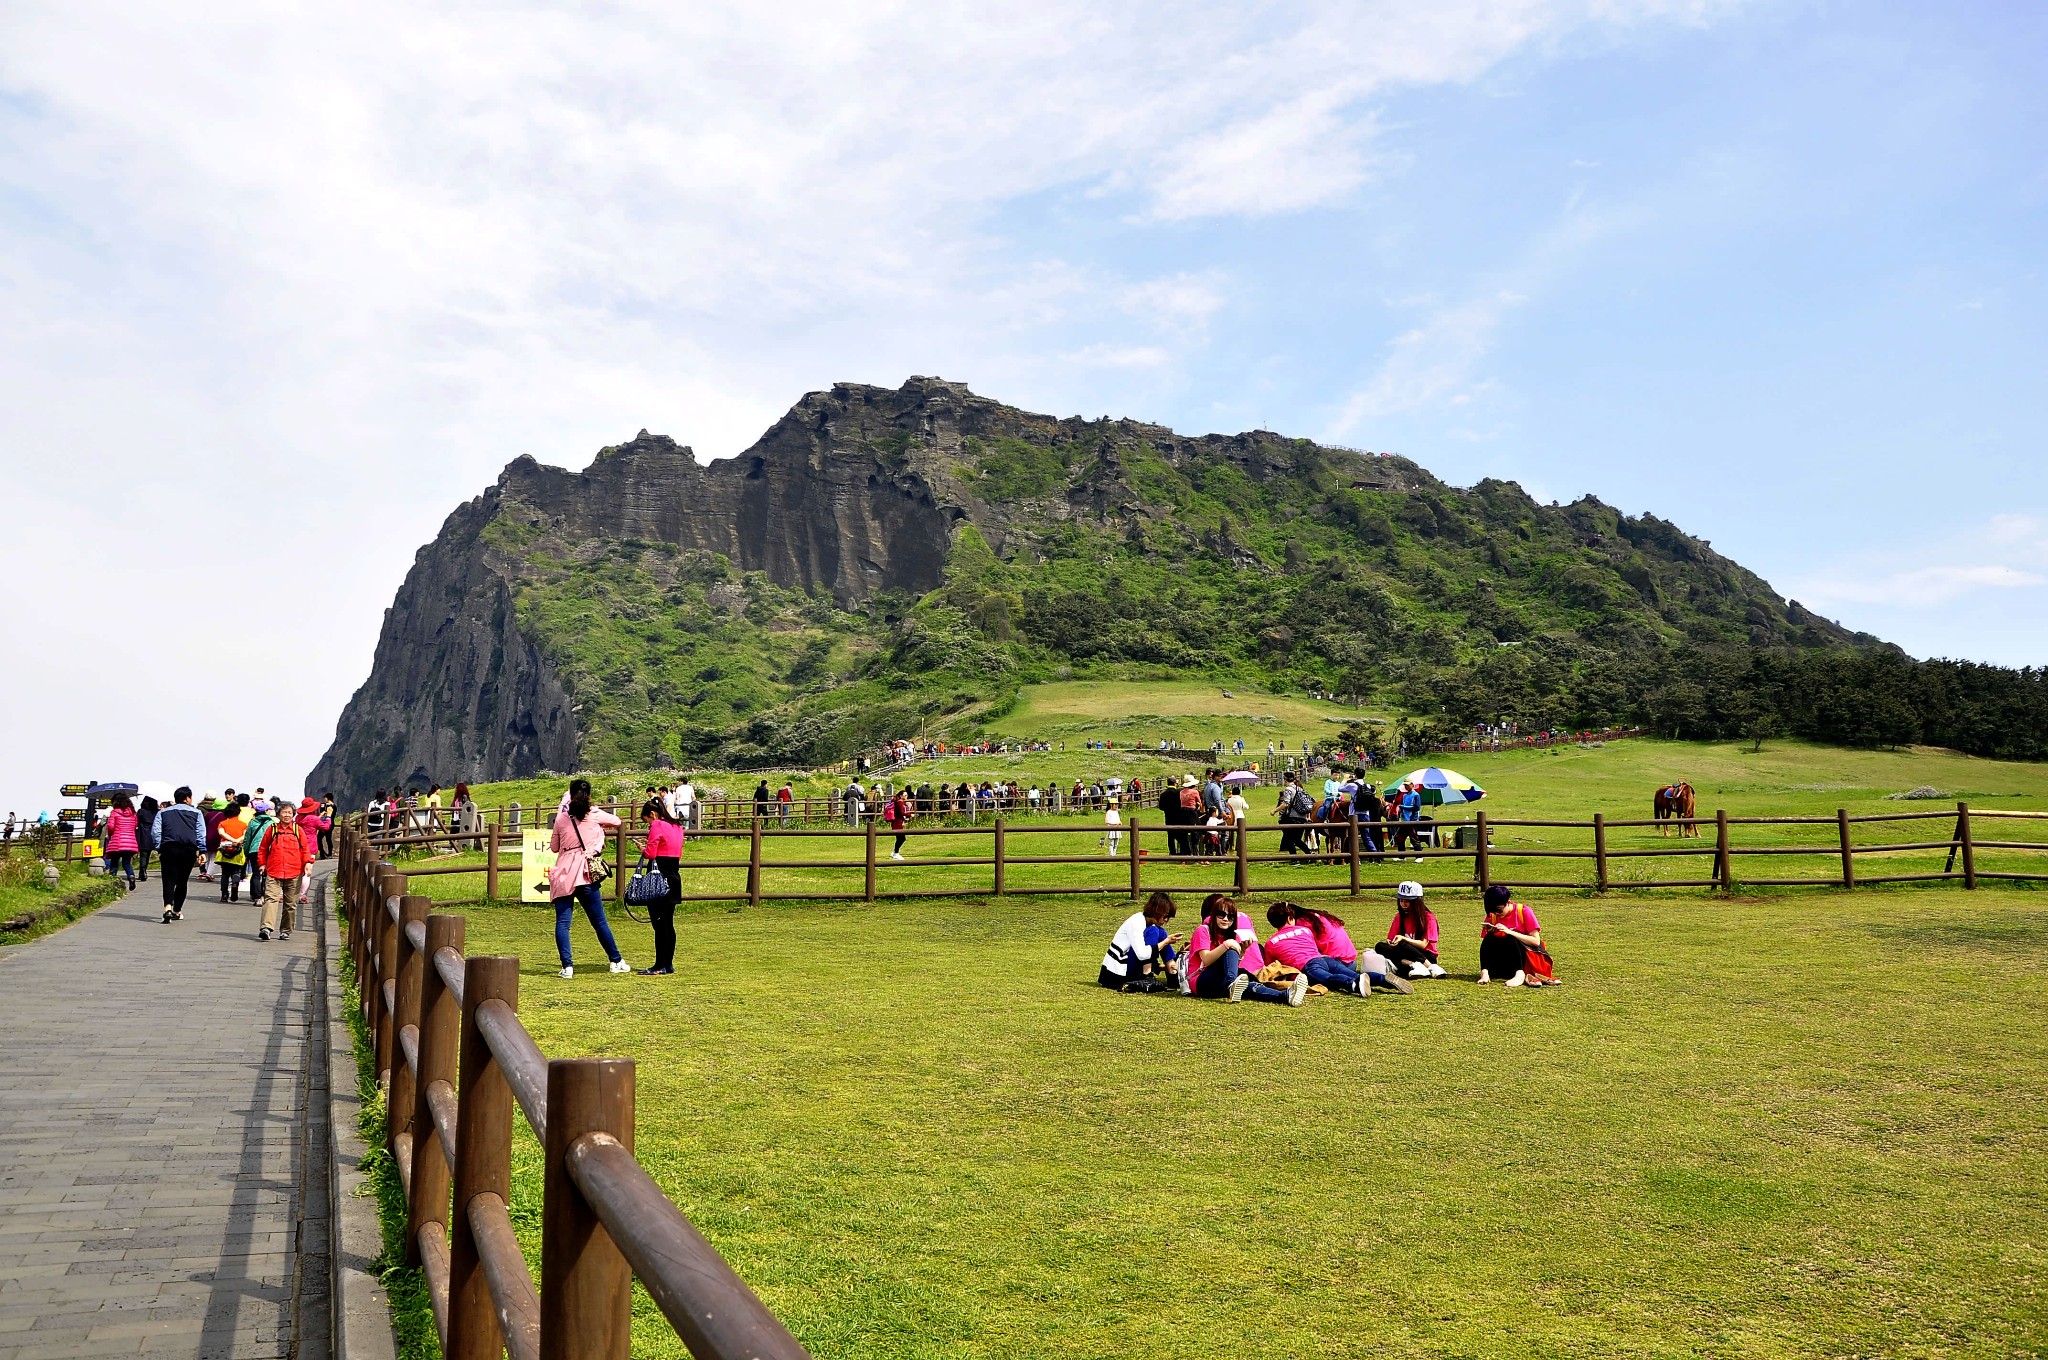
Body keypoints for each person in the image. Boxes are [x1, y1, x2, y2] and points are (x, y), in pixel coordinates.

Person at [549, 778, 629, 978]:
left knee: (563, 923)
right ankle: (615, 960)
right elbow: (617, 822)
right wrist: (599, 829)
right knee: (599, 921)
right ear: (589, 795)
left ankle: (567, 966)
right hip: (585, 872)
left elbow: (554, 847)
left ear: (570, 794)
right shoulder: (593, 813)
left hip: (564, 873)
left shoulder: (561, 818)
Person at [1186, 894, 1303, 1005]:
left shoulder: (1228, 934)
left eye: (1230, 917)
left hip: (1219, 982)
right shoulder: (1203, 930)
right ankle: (1231, 983)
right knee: (1232, 951)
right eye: (1221, 915)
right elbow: (1206, 960)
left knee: (1249, 985)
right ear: (1213, 915)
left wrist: (1242, 952)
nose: (1226, 919)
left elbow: (1229, 966)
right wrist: (1227, 945)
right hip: (1200, 981)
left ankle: (1286, 996)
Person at [1263, 901, 1374, 997]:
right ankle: (1381, 979)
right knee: (1353, 975)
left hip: (1317, 963)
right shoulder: (1310, 920)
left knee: (1327, 978)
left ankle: (1353, 984)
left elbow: (1272, 966)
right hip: (1340, 960)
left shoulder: (1272, 942)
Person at [1099, 891, 1183, 992]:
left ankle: (1172, 970)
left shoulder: (1146, 923)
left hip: (1129, 964)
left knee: (1161, 932)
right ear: (1156, 911)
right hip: (1117, 974)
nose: (1166, 920)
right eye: (1165, 916)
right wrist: (1166, 942)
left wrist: (1161, 966)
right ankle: (1147, 975)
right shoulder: (1136, 922)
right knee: (1154, 931)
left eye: (1168, 917)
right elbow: (1142, 954)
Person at [637, 804, 685, 976]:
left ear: (652, 814)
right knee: (668, 924)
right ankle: (668, 964)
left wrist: (642, 848)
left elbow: (650, 854)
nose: (648, 824)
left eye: (647, 821)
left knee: (659, 925)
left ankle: (659, 965)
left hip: (658, 879)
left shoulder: (657, 825)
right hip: (673, 877)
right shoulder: (677, 826)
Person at [252, 802, 309, 941]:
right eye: (284, 812)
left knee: (290, 904)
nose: (287, 815)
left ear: (293, 814)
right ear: (278, 814)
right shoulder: (271, 829)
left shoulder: (298, 830)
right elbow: (263, 848)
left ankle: (286, 930)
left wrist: (308, 863)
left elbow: (305, 849)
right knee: (271, 899)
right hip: (274, 870)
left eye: (290, 812)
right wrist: (262, 864)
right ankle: (266, 928)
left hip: (294, 871)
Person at [1479, 884, 1553, 987]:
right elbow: (1488, 946)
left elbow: (1536, 941)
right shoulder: (1493, 916)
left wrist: (1510, 932)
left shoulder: (1524, 911)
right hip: (1503, 963)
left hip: (1525, 961)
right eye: (1492, 911)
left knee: (1510, 937)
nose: (1496, 913)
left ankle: (1520, 974)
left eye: (1499, 910)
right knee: (1489, 937)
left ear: (1508, 902)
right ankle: (1485, 972)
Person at [152, 787, 206, 923]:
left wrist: (159, 847)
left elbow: (156, 832)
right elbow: (200, 833)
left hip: (168, 848)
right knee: (182, 881)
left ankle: (167, 908)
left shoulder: (163, 812)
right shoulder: (197, 813)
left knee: (168, 880)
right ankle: (177, 911)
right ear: (187, 798)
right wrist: (202, 851)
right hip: (188, 850)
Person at [1377, 881, 1446, 978]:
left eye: (1407, 901)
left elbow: (1423, 944)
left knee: (1402, 944)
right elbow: (1392, 939)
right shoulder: (1399, 917)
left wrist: (1403, 938)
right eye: (1401, 900)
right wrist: (1390, 942)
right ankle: (1413, 965)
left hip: (1426, 956)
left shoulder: (1428, 918)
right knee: (1380, 946)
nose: (1403, 904)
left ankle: (1430, 966)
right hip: (1405, 955)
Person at [215, 798, 251, 903]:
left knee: (225, 874)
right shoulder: (243, 824)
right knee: (236, 871)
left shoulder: (222, 823)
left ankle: (224, 895)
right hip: (237, 850)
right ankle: (235, 884)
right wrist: (237, 840)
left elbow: (221, 833)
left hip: (224, 850)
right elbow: (245, 836)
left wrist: (230, 840)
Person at [102, 794, 140, 888]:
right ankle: (131, 876)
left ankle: (112, 882)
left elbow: (111, 826)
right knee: (126, 863)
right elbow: (135, 825)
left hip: (117, 841)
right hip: (130, 842)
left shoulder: (114, 812)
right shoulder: (133, 814)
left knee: (114, 862)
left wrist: (110, 835)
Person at [135, 794, 159, 883]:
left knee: (143, 854)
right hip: (152, 835)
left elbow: (136, 822)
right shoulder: (156, 812)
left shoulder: (141, 811)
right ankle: (143, 870)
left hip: (142, 834)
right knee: (147, 854)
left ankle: (142, 870)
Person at [884, 788, 912, 859]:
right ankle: (896, 853)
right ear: (901, 796)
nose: (906, 797)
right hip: (898, 823)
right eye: (905, 795)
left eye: (906, 795)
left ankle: (895, 852)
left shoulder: (897, 802)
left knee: (900, 838)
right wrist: (910, 815)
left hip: (897, 822)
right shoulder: (900, 802)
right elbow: (901, 813)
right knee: (901, 838)